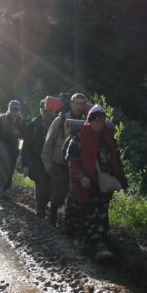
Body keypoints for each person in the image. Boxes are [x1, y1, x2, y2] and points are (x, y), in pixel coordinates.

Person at [65, 105, 127, 260]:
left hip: (102, 185)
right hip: (84, 186)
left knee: (100, 217)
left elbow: (115, 159)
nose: (99, 124)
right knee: (81, 215)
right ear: (90, 121)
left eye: (102, 121)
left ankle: (100, 246)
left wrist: (120, 179)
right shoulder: (78, 138)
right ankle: (81, 242)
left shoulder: (108, 138)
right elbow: (72, 160)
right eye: (96, 121)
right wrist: (82, 177)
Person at [41, 93, 87, 225]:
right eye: (76, 103)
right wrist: (46, 163)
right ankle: (52, 214)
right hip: (59, 163)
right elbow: (48, 143)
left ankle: (70, 221)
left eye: (81, 104)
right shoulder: (60, 120)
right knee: (60, 193)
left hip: (77, 166)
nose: (78, 106)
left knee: (74, 195)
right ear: (71, 104)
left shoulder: (86, 122)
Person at [21, 100, 55, 218]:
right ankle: (41, 213)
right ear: (41, 111)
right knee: (41, 186)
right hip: (37, 161)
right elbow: (25, 147)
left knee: (51, 187)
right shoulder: (32, 126)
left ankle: (50, 211)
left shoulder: (58, 124)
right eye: (45, 111)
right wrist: (25, 164)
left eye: (50, 111)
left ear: (53, 111)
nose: (48, 113)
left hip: (53, 160)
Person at [0, 100, 25, 197]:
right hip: (2, 146)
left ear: (19, 111)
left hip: (13, 148)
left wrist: (19, 134)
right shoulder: (2, 118)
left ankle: (5, 188)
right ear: (9, 109)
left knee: (11, 169)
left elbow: (24, 134)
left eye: (16, 110)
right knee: (3, 167)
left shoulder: (20, 120)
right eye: (12, 109)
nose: (14, 112)